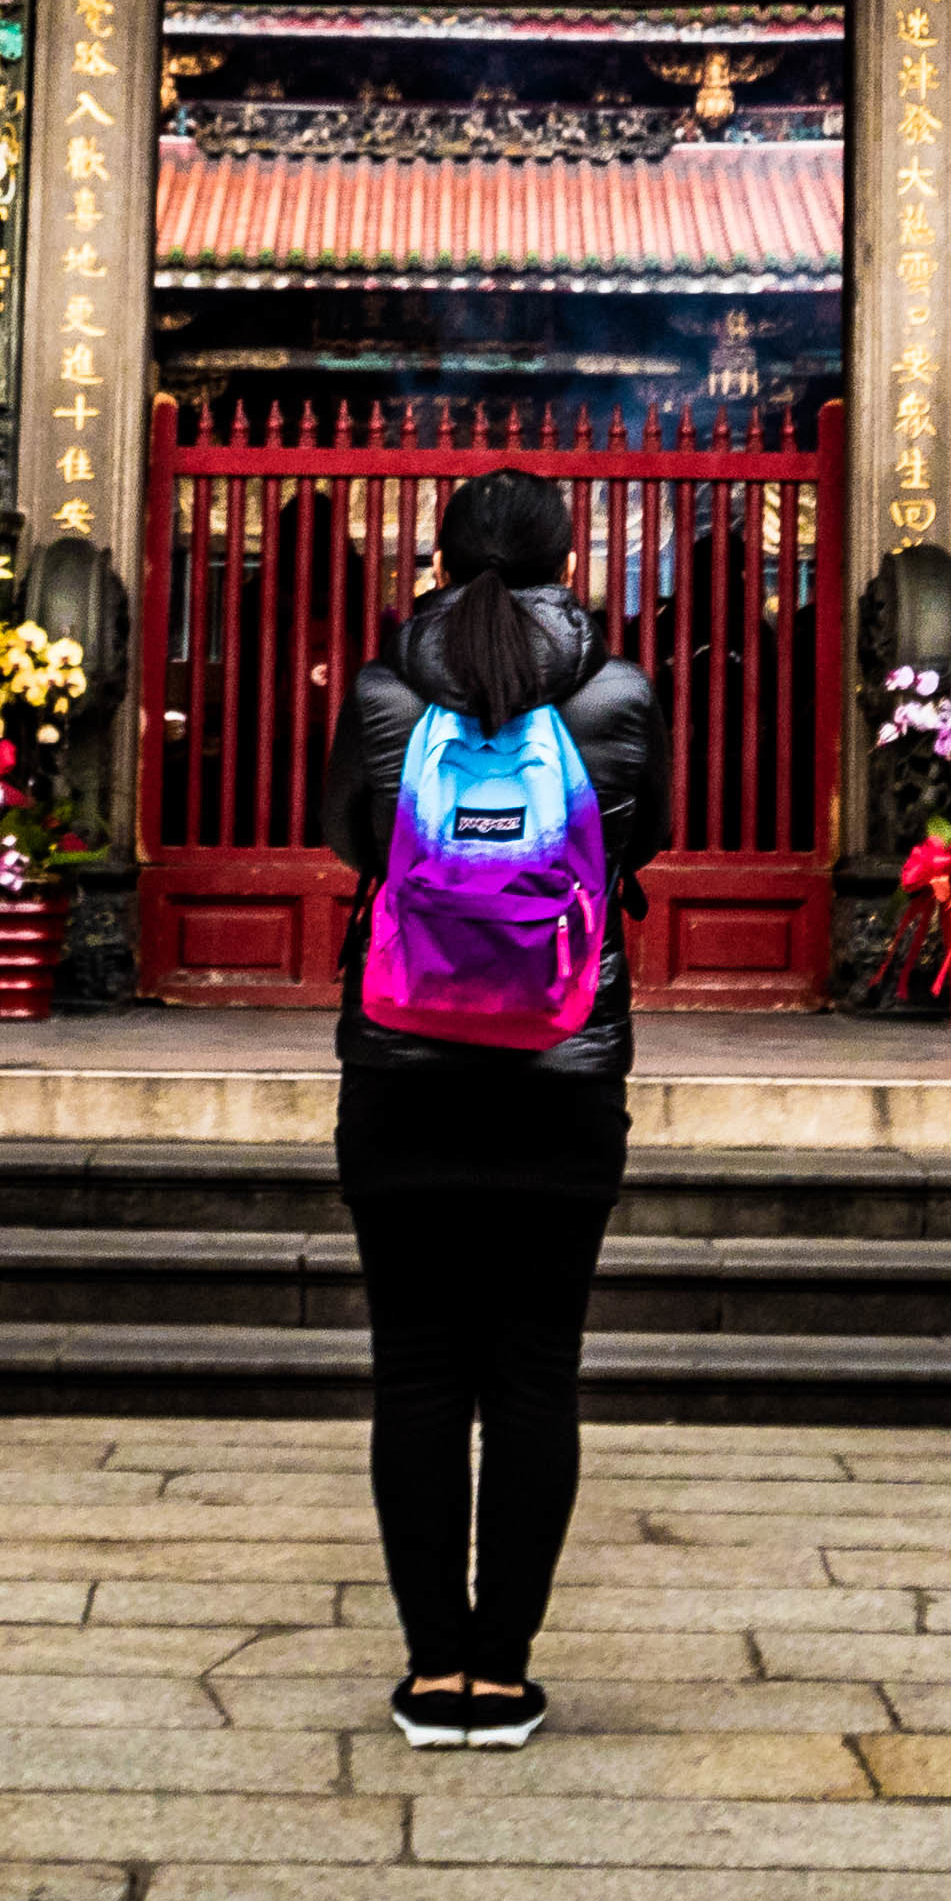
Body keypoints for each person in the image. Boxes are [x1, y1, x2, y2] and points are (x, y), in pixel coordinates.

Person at [324, 466, 654, 1750]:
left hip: (401, 1064)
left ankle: (430, 1671)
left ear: (441, 549)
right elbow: (642, 843)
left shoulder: (380, 689)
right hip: (565, 1067)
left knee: (413, 1373)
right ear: (567, 556)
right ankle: (502, 1671)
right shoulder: (619, 692)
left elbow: (353, 845)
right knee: (532, 1372)